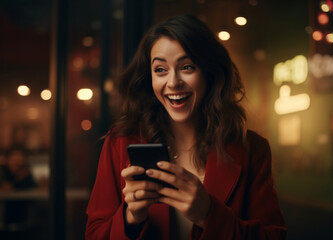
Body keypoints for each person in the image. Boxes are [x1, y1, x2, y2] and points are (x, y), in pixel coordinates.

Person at [85, 14, 286, 239]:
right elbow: (94, 234)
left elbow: (274, 236)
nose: (173, 82)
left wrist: (208, 214)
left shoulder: (252, 150)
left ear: (209, 72)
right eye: (160, 69)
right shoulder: (121, 142)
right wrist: (131, 217)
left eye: (187, 67)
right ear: (149, 77)